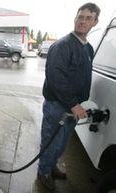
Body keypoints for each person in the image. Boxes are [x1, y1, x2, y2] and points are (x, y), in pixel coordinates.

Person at [37, 2, 101, 191]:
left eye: (88, 18)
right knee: (51, 141)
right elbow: (56, 78)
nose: (83, 21)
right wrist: (74, 104)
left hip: (73, 107)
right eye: (80, 17)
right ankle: (44, 172)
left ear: (95, 22)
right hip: (58, 106)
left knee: (62, 143)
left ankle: (51, 165)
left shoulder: (87, 48)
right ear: (75, 19)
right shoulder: (63, 45)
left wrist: (78, 104)